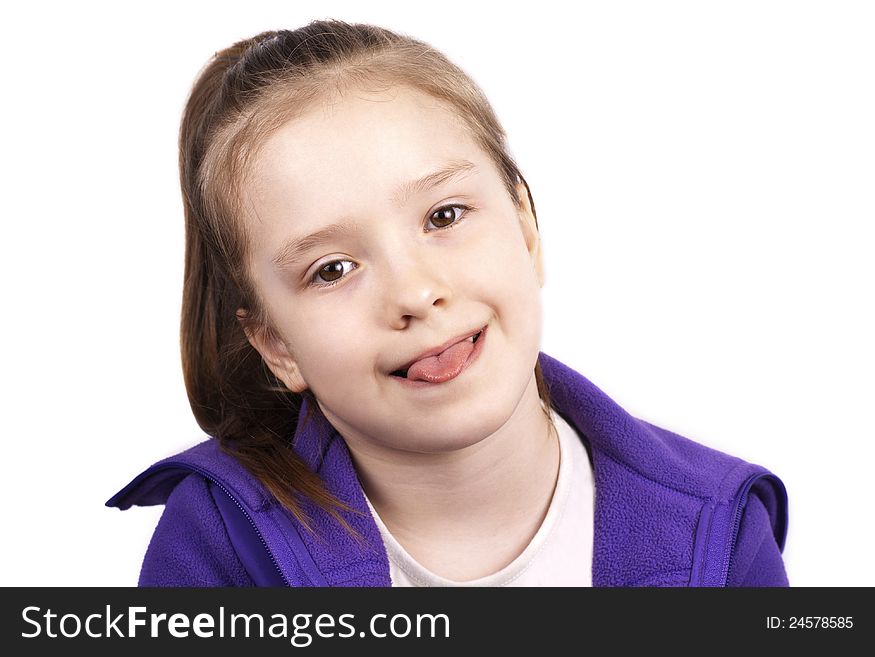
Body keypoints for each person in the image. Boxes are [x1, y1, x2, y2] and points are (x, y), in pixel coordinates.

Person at [107, 19, 789, 587]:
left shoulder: (719, 531)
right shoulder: (221, 544)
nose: (415, 293)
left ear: (526, 226)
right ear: (276, 344)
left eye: (444, 216)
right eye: (333, 268)